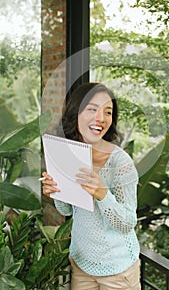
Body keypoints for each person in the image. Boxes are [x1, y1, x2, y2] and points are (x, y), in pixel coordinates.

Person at [42, 82, 141, 290]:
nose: (101, 118)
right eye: (92, 109)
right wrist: (56, 191)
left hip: (117, 271)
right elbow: (67, 210)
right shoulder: (69, 152)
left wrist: (102, 193)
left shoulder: (120, 163)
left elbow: (127, 223)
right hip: (81, 264)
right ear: (76, 112)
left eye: (108, 112)